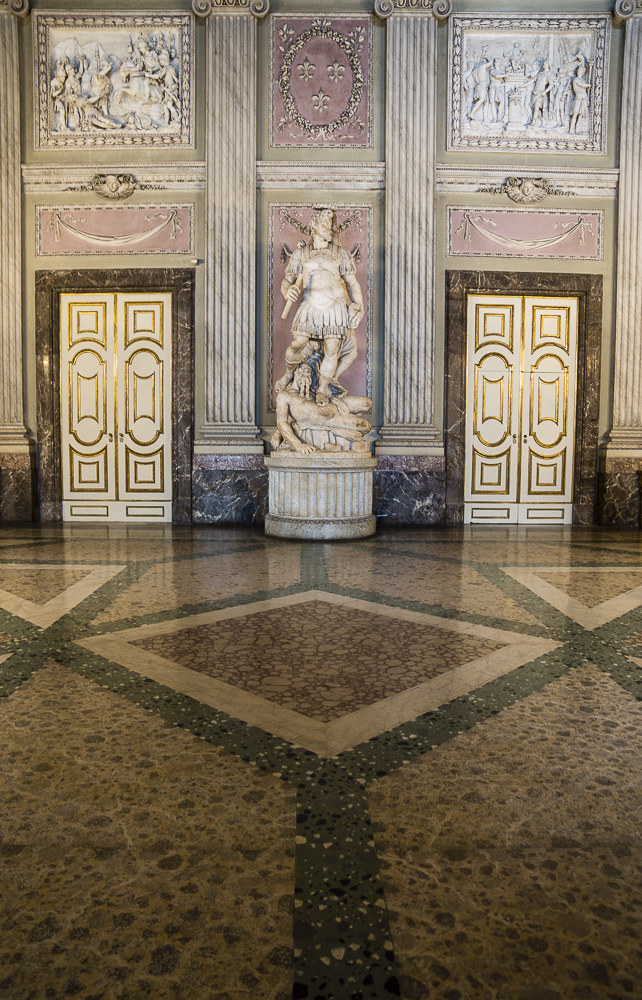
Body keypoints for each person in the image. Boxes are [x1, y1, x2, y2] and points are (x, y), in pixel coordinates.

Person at [276, 207, 364, 407]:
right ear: (314, 225)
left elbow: (352, 283)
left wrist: (359, 306)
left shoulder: (340, 253)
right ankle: (289, 374)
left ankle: (322, 388)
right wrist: (287, 290)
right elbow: (287, 281)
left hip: (335, 308)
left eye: (331, 223)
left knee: (332, 349)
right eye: (324, 223)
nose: (329, 228)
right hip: (310, 306)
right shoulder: (302, 254)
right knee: (297, 343)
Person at [272, 355, 372, 454]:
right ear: (295, 372)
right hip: (331, 420)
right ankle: (342, 430)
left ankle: (346, 423)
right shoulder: (285, 395)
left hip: (335, 405)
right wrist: (298, 445)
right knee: (365, 426)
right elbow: (282, 421)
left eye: (308, 371)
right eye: (302, 369)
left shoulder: (312, 390)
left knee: (367, 403)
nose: (305, 373)